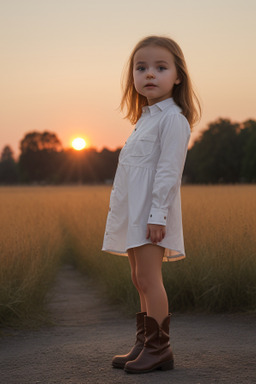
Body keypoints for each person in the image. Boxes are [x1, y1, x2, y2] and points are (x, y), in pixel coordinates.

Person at [102, 35, 201, 374]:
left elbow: (168, 173)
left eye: (161, 67)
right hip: (136, 213)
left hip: (152, 215)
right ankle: (145, 342)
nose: (149, 74)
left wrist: (158, 215)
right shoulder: (145, 119)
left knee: (149, 277)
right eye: (141, 67)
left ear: (177, 76)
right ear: (132, 75)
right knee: (138, 278)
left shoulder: (173, 119)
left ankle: (160, 349)